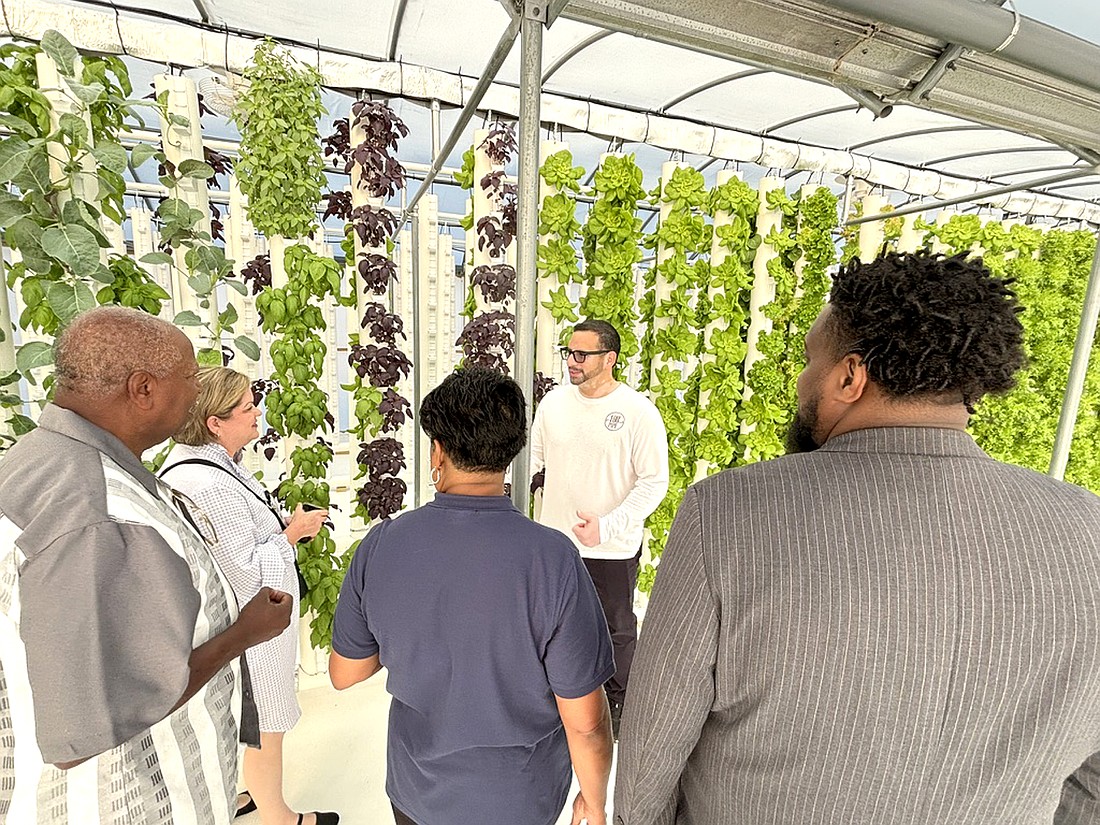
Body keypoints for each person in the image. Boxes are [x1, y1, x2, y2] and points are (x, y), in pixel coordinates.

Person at [613, 251, 1100, 825]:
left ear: (849, 376)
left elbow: (653, 743)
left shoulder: (728, 513)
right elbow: (1090, 782)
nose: (800, 381)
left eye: (808, 361)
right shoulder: (1089, 531)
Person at [0, 305, 292, 824]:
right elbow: (84, 728)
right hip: (127, 801)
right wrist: (242, 635)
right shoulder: (98, 516)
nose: (195, 391)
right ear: (143, 389)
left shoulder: (40, 460)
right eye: (188, 376)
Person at [329, 366, 615, 825]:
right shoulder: (553, 559)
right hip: (521, 798)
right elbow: (586, 721)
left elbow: (346, 672)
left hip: (417, 792)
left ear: (436, 452)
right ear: (511, 452)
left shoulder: (382, 545)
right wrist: (595, 801)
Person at [160, 366, 336, 825]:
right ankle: (280, 818)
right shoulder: (210, 485)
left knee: (243, 722)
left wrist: (279, 531)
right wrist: (292, 534)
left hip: (235, 630)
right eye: (246, 407)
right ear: (215, 422)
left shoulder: (210, 466)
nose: (258, 411)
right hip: (251, 632)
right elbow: (248, 573)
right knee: (264, 728)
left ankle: (244, 794)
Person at [530, 319, 669, 737]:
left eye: (582, 354)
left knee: (616, 631)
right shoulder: (553, 404)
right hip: (555, 545)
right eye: (568, 352)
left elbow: (654, 482)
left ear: (609, 358)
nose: (571, 361)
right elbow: (535, 464)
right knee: (549, 626)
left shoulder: (637, 412)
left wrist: (607, 526)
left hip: (610, 548)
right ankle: (553, 702)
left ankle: (622, 707)